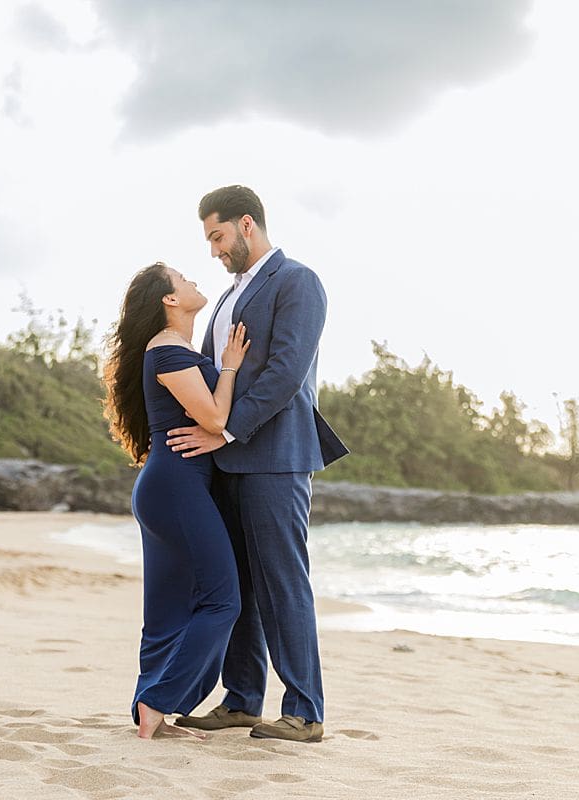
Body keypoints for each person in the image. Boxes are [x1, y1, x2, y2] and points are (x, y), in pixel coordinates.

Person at [167, 185, 349, 743]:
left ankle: (305, 710)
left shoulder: (298, 281)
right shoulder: (225, 298)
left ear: (247, 225)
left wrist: (223, 428)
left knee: (282, 583)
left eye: (218, 236)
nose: (214, 251)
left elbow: (286, 373)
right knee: (238, 585)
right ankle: (243, 698)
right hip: (226, 461)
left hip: (274, 457)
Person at [102, 262, 252, 740]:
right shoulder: (167, 349)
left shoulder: (173, 348)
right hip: (176, 485)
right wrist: (228, 368)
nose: (192, 281)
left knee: (168, 606)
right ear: (169, 299)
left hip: (168, 485)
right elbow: (212, 419)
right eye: (182, 279)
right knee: (222, 600)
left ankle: (152, 715)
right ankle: (158, 700)